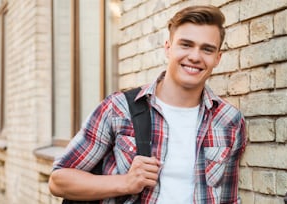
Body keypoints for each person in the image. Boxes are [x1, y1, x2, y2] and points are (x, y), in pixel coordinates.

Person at [49, 5, 246, 204]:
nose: (195, 56)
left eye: (207, 49)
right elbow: (59, 180)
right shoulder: (119, 108)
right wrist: (125, 182)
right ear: (168, 48)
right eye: (186, 45)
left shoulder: (229, 120)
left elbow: (228, 199)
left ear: (218, 58)